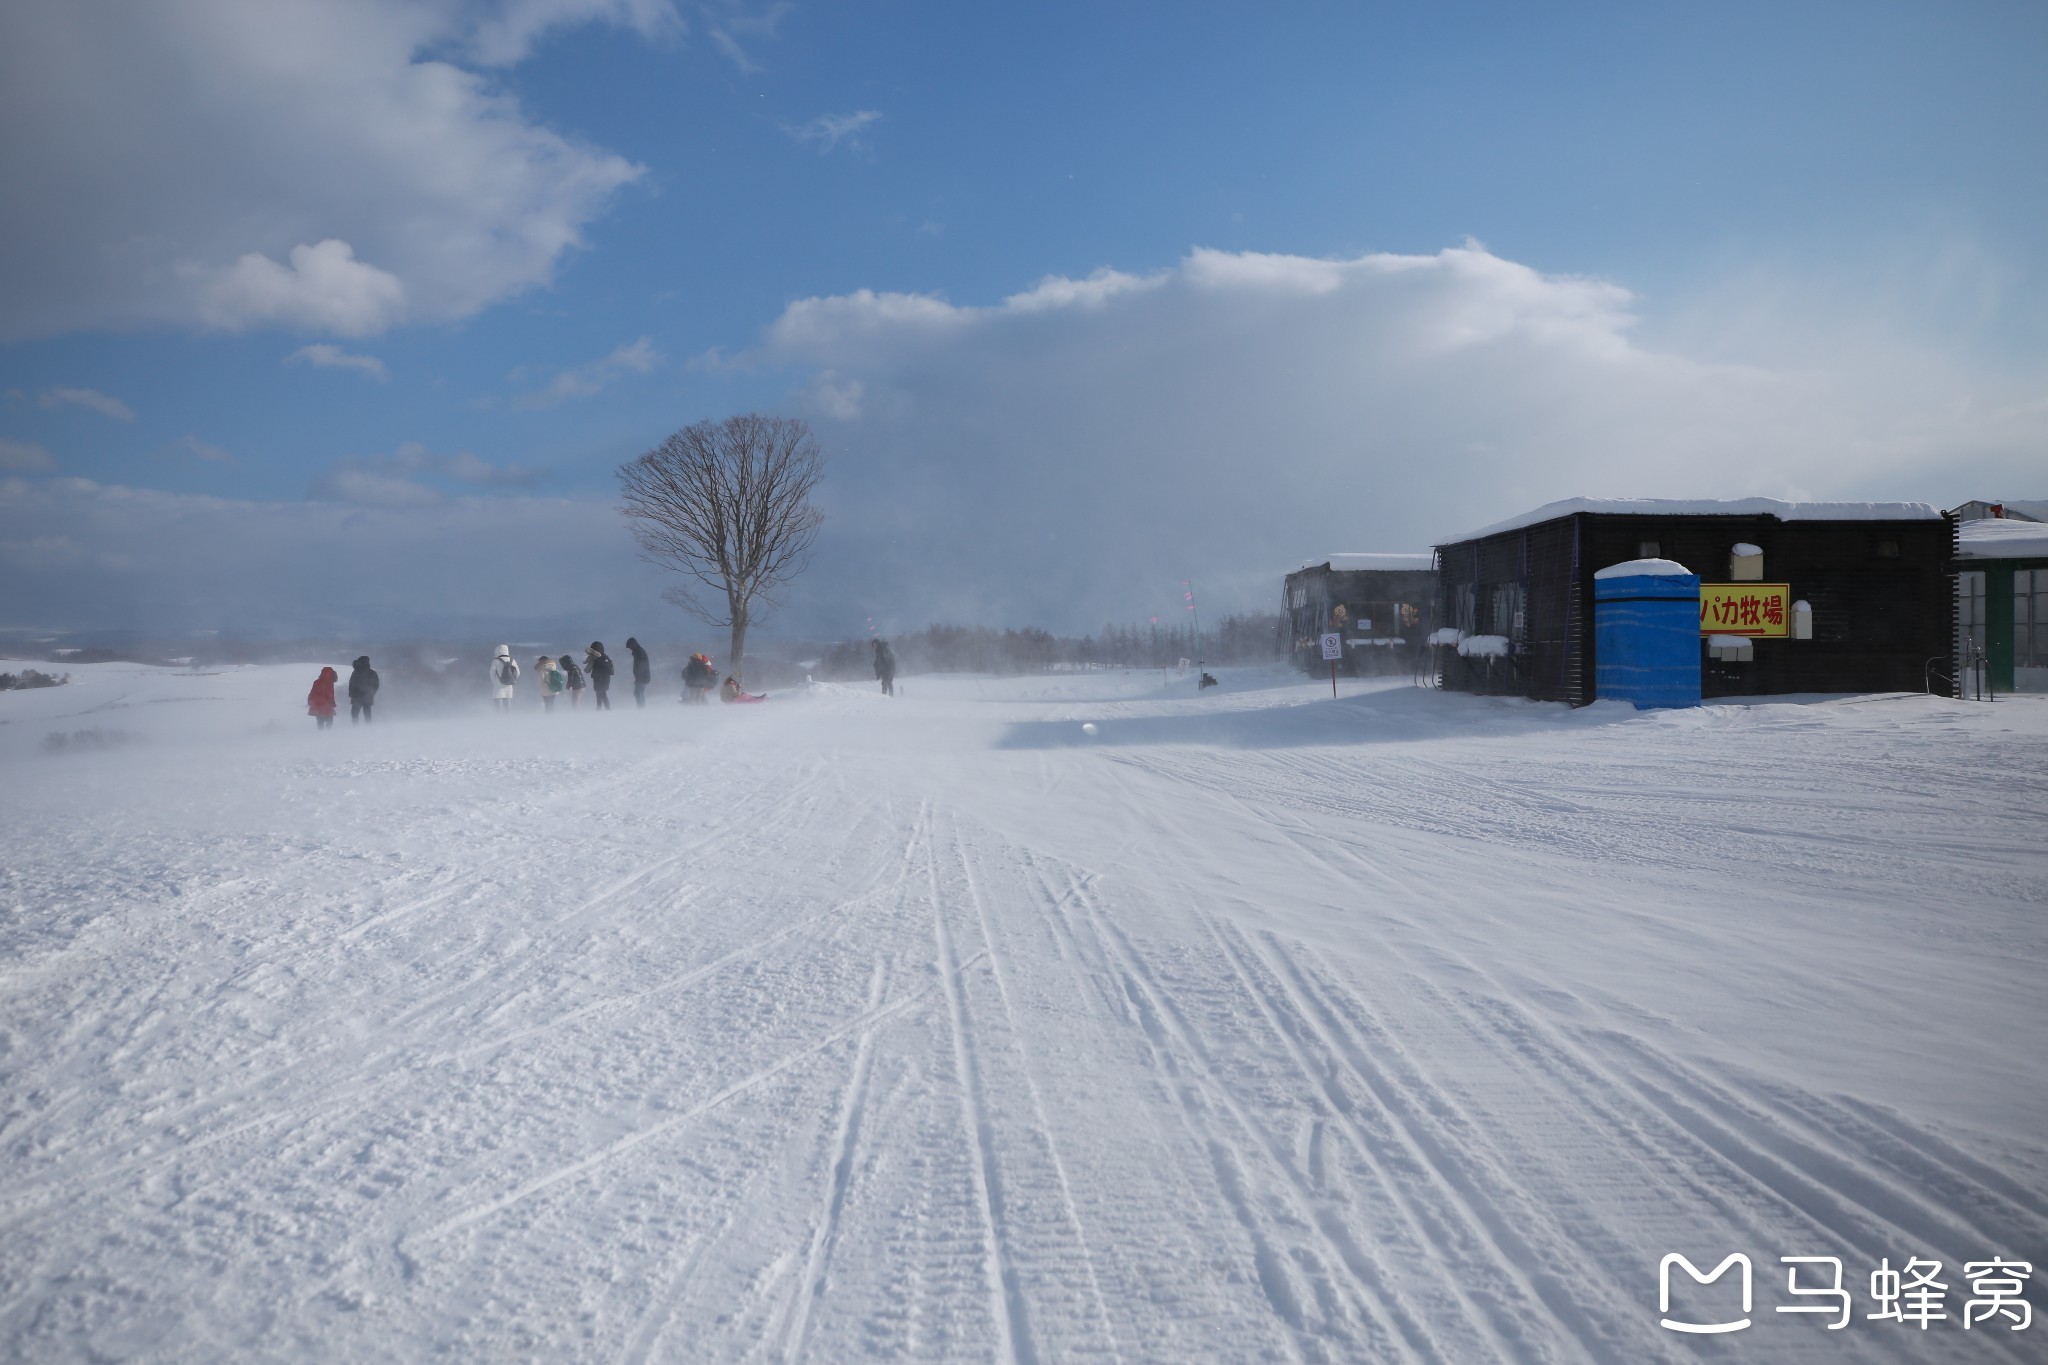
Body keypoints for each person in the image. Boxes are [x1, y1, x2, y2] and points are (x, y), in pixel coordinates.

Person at [348, 655, 380, 722]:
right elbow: (376, 685)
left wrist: (351, 694)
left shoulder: (355, 672)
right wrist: (371, 694)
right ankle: (368, 729)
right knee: (367, 714)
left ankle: (355, 728)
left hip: (356, 696)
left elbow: (351, 684)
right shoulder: (372, 673)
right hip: (367, 697)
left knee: (354, 713)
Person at [490, 645, 520, 712]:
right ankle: (508, 719)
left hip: (498, 686)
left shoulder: (495, 661)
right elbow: (518, 672)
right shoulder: (512, 660)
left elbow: (492, 673)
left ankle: (499, 719)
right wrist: (512, 679)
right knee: (507, 704)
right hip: (509, 686)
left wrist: (494, 682)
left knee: (498, 705)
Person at [585, 642, 614, 711]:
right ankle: (600, 708)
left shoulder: (602, 658)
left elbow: (605, 668)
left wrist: (596, 660)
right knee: (599, 693)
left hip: (602, 679)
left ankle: (606, 709)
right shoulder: (601, 657)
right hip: (599, 679)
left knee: (602, 693)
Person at [625, 637, 651, 707]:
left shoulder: (639, 652)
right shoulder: (639, 651)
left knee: (638, 692)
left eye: (629, 647)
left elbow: (641, 666)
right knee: (638, 692)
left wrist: (639, 678)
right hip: (643, 676)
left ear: (632, 645)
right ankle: (641, 707)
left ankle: (641, 708)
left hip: (642, 677)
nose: (630, 649)